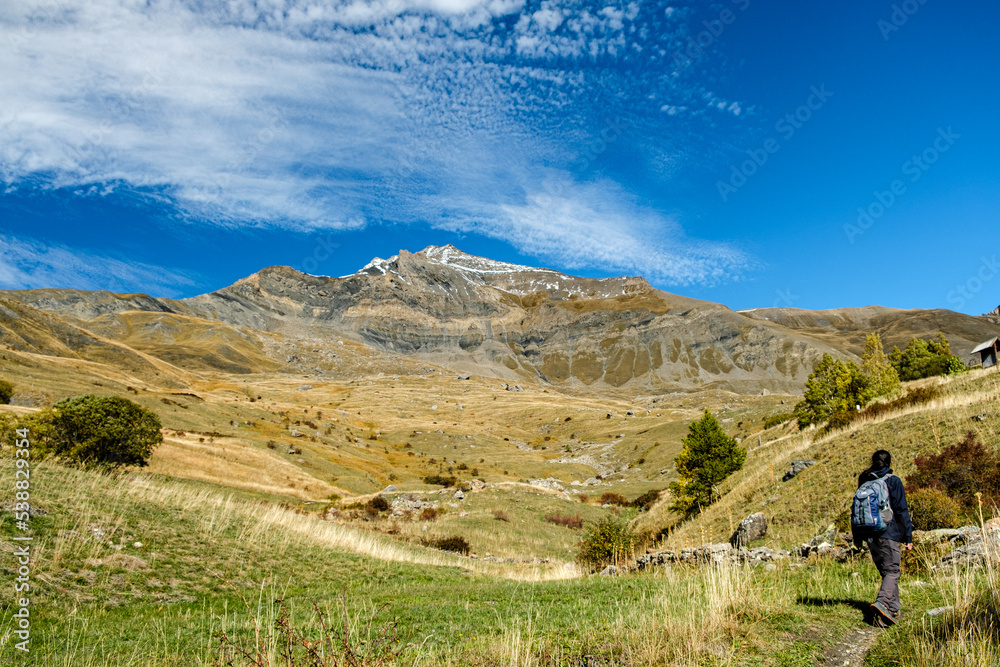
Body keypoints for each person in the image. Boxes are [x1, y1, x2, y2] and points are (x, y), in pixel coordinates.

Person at [854, 449, 913, 626]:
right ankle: (883, 602)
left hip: (868, 534)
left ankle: (892, 610)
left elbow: (855, 510)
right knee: (893, 571)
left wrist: (857, 537)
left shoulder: (864, 480)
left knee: (886, 571)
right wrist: (907, 537)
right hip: (887, 533)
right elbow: (902, 510)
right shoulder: (893, 481)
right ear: (889, 462)